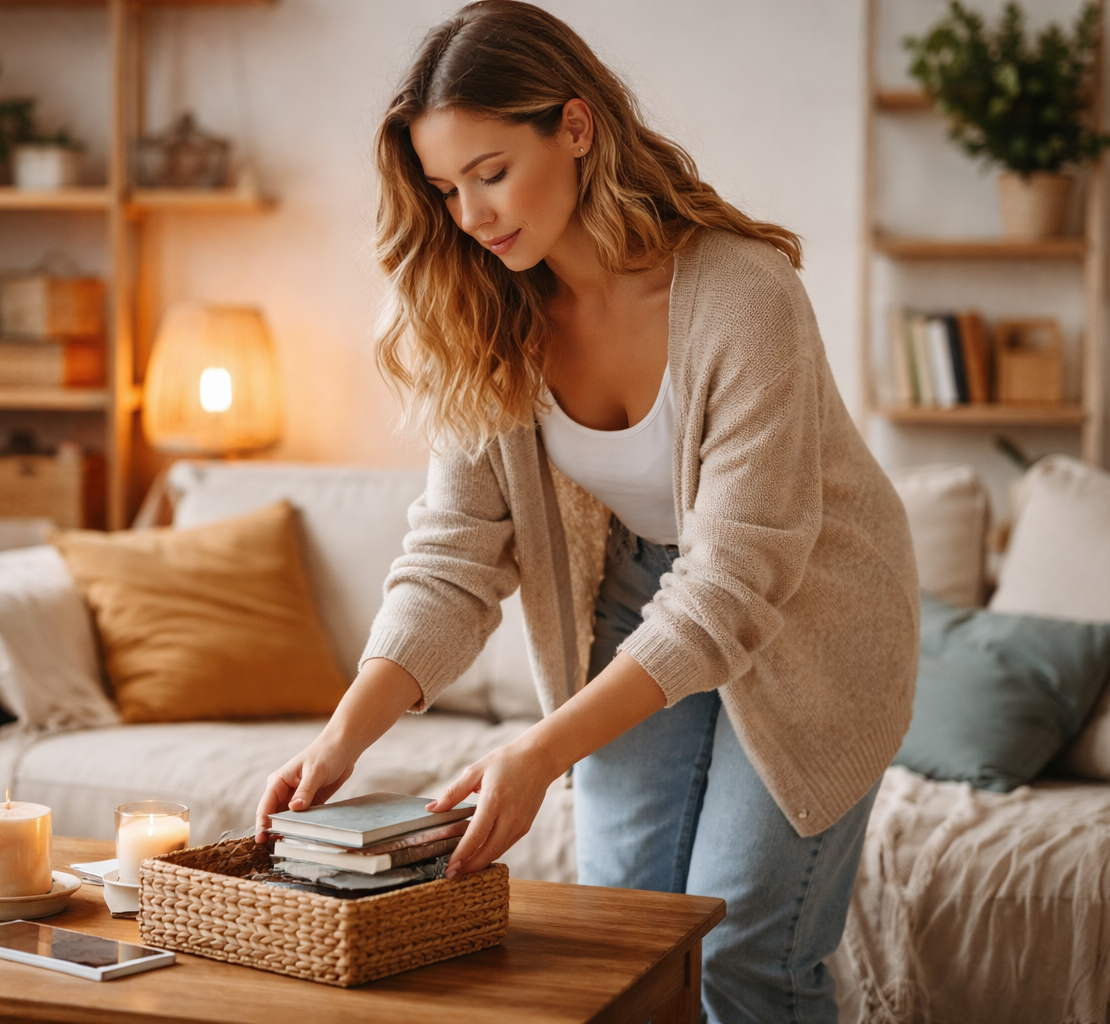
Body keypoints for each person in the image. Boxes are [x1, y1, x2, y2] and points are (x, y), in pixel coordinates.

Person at [255, 2, 919, 1019]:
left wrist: (536, 752)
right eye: (446, 189)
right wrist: (343, 738)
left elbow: (731, 585)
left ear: (574, 127)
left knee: (742, 958)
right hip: (637, 594)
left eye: (490, 173)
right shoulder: (486, 309)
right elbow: (453, 559)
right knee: (619, 947)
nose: (471, 216)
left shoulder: (742, 294)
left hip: (807, 616)